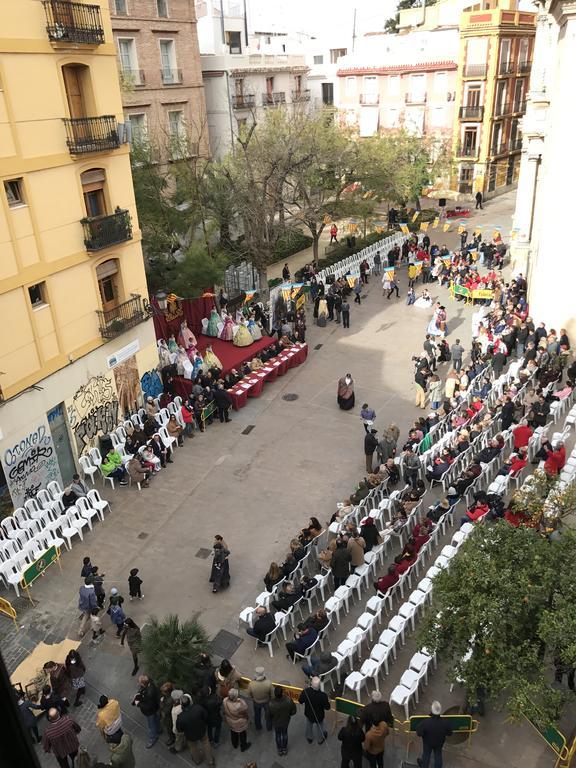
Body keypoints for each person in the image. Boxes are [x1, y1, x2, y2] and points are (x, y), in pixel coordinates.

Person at [176, 693, 215, 766]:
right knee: (206, 744)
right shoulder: (198, 708)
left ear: (181, 705)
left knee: (193, 747)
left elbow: (180, 729)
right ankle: (210, 761)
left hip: (190, 736)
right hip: (202, 731)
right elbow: (205, 716)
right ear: (190, 701)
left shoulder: (181, 717)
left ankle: (197, 760)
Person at [416, 701, 453, 768]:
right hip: (439, 743)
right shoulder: (446, 723)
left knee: (426, 755)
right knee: (438, 755)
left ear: (432, 710)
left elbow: (419, 733)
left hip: (427, 743)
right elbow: (450, 733)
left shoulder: (425, 722)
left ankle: (424, 766)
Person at [298, 677, 330, 745]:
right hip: (319, 715)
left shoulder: (306, 691)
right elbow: (327, 707)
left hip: (309, 713)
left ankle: (309, 738)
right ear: (319, 685)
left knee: (309, 725)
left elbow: (300, 701)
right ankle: (320, 739)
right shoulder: (323, 696)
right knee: (320, 727)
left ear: (312, 684)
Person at [133, 675, 161, 749]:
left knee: (151, 725)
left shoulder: (149, 694)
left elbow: (148, 706)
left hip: (150, 711)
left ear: (143, 684)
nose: (139, 684)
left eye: (140, 683)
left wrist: (138, 704)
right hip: (156, 707)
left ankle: (153, 738)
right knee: (156, 719)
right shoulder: (150, 683)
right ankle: (159, 729)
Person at [269, 685, 297, 756]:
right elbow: (294, 711)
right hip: (285, 722)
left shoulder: (271, 703)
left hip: (276, 723)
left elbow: (268, 716)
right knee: (285, 734)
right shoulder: (288, 700)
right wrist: (289, 714)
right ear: (282, 693)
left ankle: (279, 749)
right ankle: (284, 748)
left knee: (278, 735)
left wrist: (272, 720)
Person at [248, 667, 273, 731]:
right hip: (266, 702)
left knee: (257, 715)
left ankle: (258, 727)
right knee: (268, 716)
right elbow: (272, 695)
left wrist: (253, 698)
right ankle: (269, 727)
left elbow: (249, 695)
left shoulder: (251, 684)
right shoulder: (269, 683)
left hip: (256, 702)